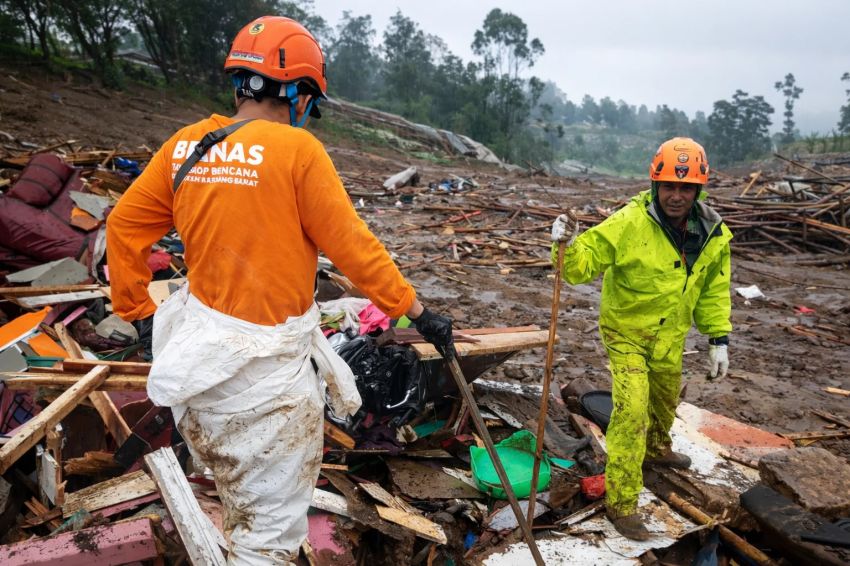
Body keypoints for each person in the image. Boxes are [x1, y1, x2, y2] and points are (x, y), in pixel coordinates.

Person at [106, 16, 453, 565]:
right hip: (266, 380)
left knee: (228, 494)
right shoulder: (297, 152)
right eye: (309, 102)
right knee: (267, 536)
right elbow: (353, 249)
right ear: (296, 92)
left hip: (196, 363)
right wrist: (416, 311)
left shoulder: (184, 146)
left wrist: (137, 312)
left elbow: (122, 227)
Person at [551, 137, 732, 540]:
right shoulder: (629, 223)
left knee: (665, 399)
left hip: (669, 337)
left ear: (698, 189)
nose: (676, 195)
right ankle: (622, 501)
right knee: (632, 411)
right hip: (626, 333)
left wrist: (718, 337)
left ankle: (657, 449)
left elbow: (714, 289)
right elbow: (578, 269)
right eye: (668, 185)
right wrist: (564, 242)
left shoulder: (713, 233)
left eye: (685, 187)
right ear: (655, 184)